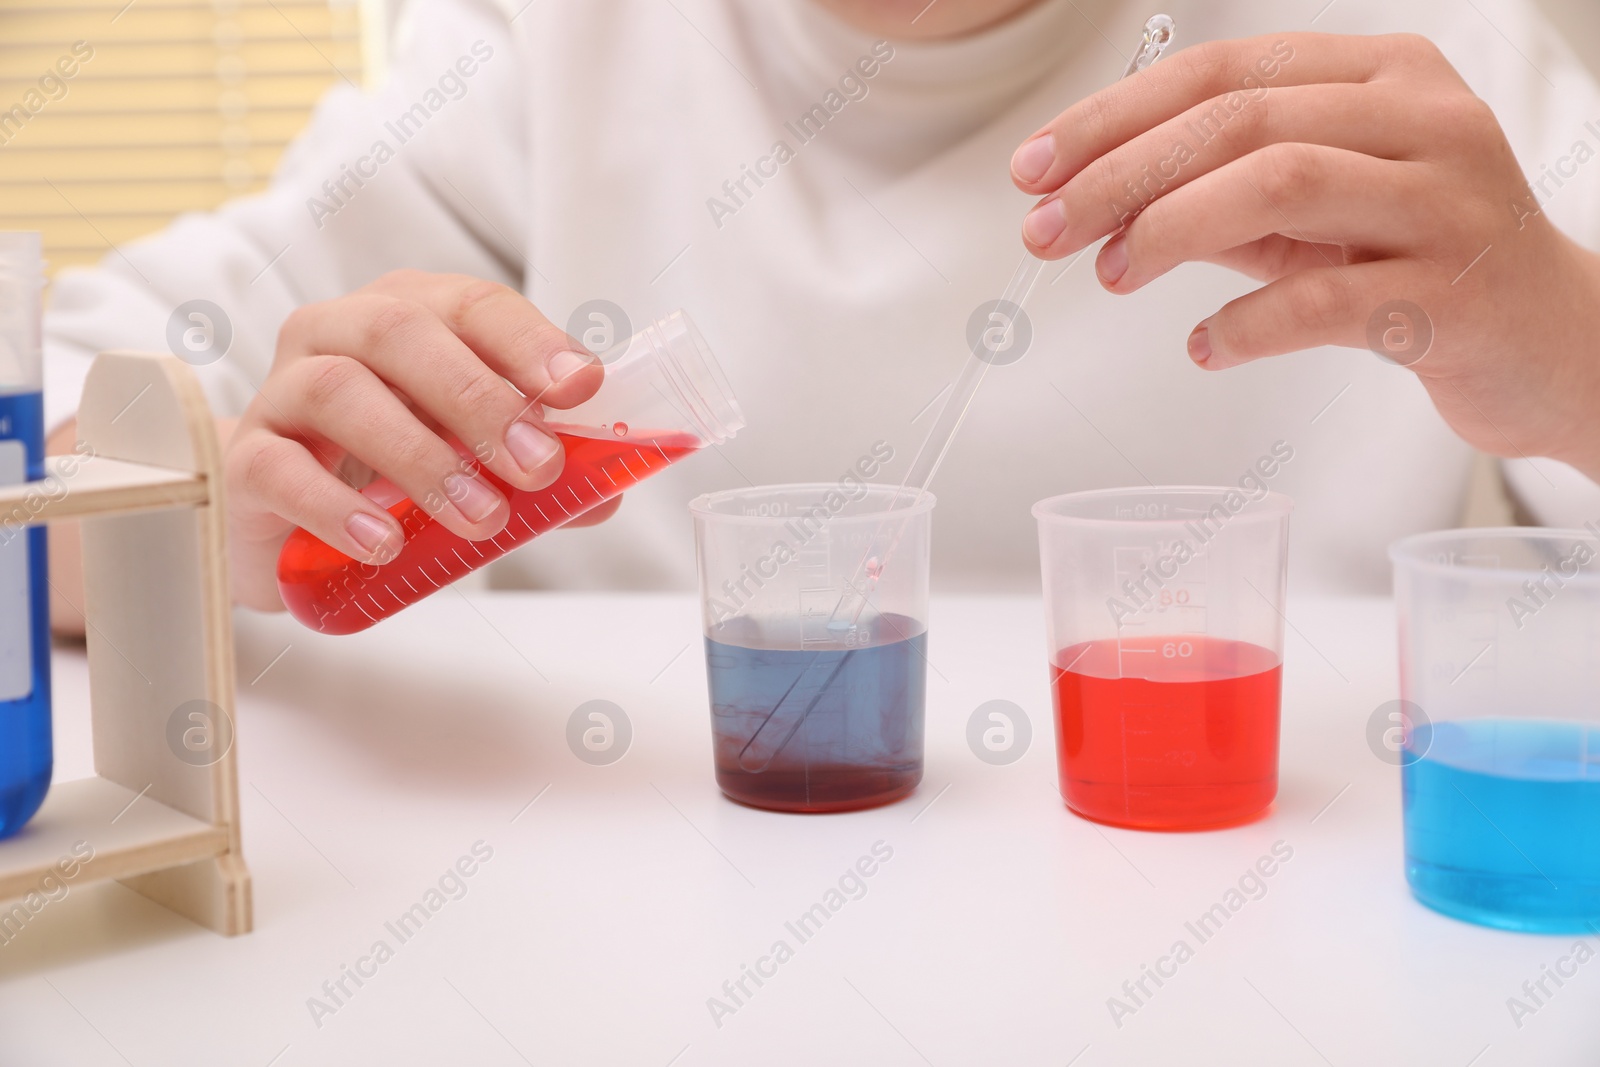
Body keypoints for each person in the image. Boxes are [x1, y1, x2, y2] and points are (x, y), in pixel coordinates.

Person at [40, 0, 1600, 630]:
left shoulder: (1421, 45)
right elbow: (45, 427)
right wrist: (187, 537)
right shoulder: (549, 44)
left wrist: (1568, 348)